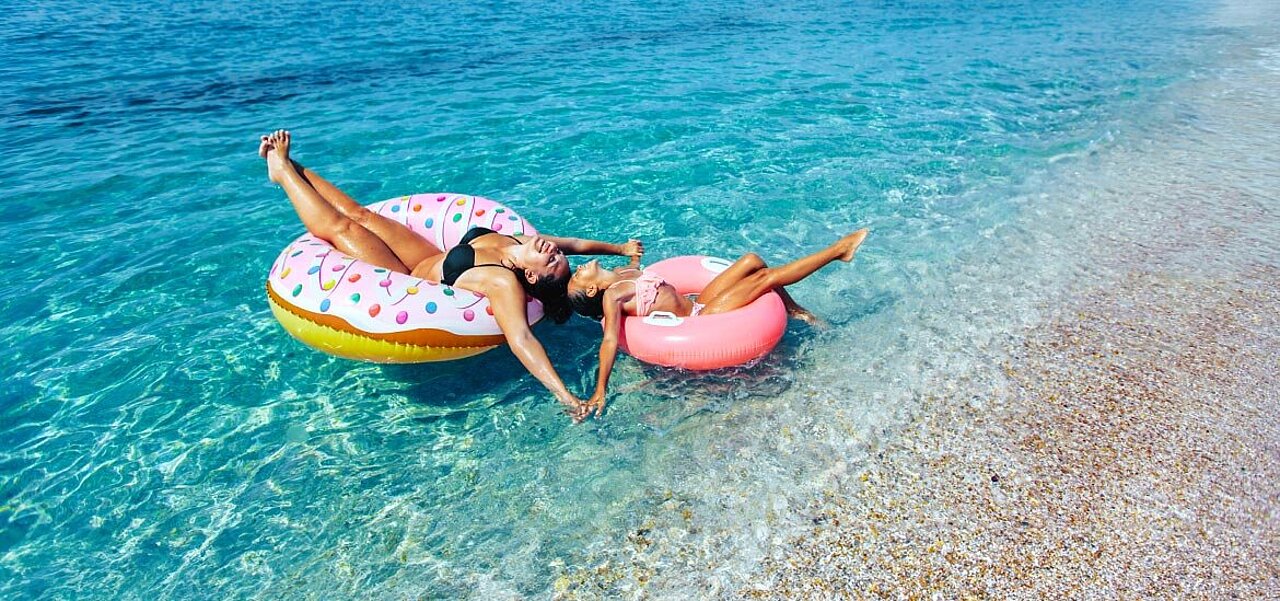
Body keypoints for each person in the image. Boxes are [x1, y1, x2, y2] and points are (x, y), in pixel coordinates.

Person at [258, 130, 642, 412]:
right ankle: (296, 166)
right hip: (427, 255)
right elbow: (574, 243)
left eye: (551, 261)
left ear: (530, 277)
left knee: (344, 229)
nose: (552, 251)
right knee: (362, 215)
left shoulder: (501, 280)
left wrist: (566, 396)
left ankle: (283, 172)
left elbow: (522, 339)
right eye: (555, 254)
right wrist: (619, 248)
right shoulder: (522, 241)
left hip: (405, 277)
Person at [566, 229, 868, 420]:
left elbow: (636, 266)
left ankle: (792, 309)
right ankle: (838, 252)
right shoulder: (614, 297)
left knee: (752, 261)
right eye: (578, 277)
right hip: (701, 319)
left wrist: (631, 251)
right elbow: (609, 340)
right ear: (592, 290)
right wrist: (600, 389)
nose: (578, 269)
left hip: (698, 302)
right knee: (765, 279)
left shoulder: (621, 274)